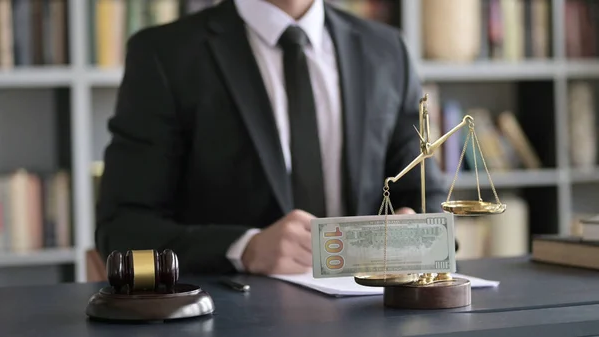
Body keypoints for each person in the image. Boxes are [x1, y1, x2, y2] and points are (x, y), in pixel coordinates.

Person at [94, 0, 449, 276]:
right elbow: (123, 229)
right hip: (236, 318)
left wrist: (412, 228)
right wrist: (244, 249)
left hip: (373, 316)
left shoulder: (387, 50)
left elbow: (426, 197)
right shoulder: (164, 55)